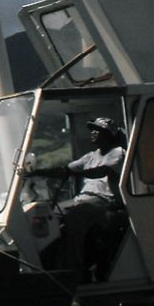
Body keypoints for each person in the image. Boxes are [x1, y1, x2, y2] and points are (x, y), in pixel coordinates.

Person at [28, 116, 125, 277]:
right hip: (81, 200)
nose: (93, 133)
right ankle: (48, 265)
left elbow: (102, 171)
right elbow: (65, 170)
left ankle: (74, 269)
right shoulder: (90, 156)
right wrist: (36, 172)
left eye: (98, 130)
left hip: (104, 202)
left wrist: (75, 173)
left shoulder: (117, 152)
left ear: (109, 135)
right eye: (92, 130)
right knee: (48, 213)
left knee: (77, 214)